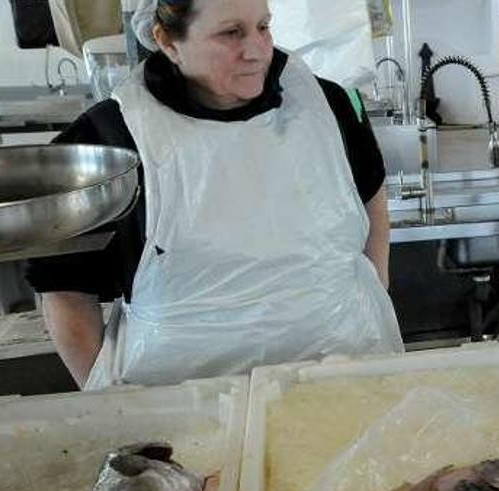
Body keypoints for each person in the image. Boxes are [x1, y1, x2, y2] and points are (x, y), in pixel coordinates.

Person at [26, 0, 404, 390]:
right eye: (231, 33)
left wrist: (372, 291)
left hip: (343, 373)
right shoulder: (109, 138)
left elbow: (371, 199)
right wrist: (108, 399)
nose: (257, 50)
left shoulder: (328, 107)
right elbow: (63, 284)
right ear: (167, 41)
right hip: (178, 403)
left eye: (263, 27)